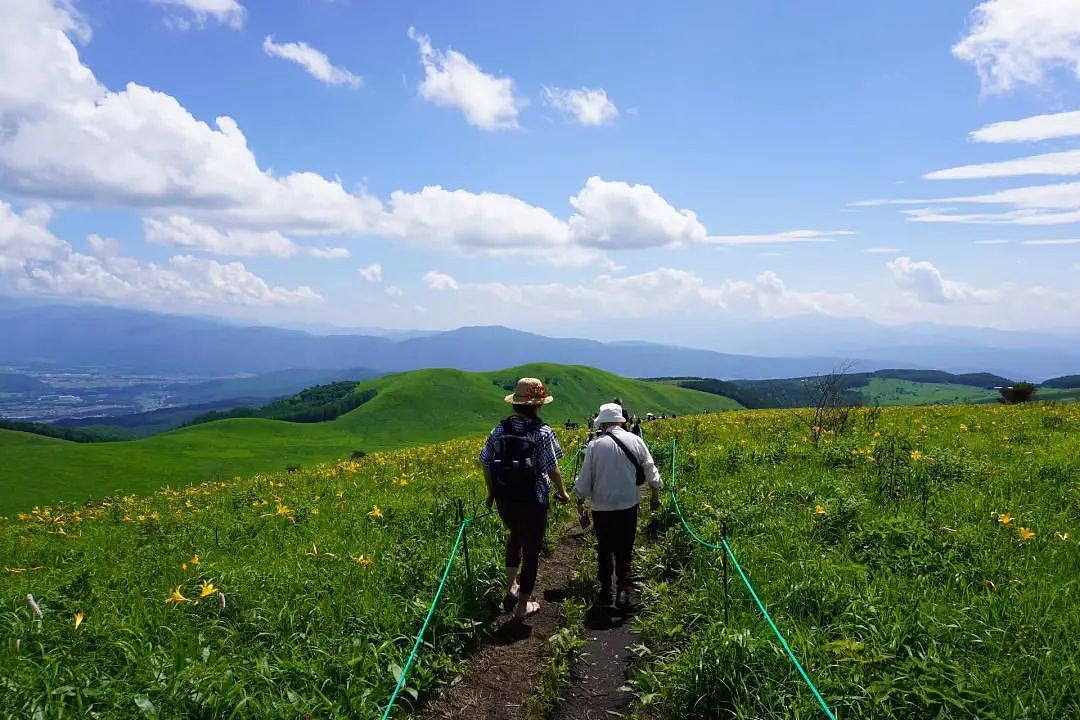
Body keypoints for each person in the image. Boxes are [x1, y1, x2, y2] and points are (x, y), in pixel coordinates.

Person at [480, 377, 571, 619]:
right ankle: (522, 606)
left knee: (515, 537)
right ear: (538, 405)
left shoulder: (500, 428)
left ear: (516, 403)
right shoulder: (543, 431)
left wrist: (491, 492)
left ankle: (510, 587)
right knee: (532, 549)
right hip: (534, 499)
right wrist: (562, 491)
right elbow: (552, 468)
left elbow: (485, 461)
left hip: (505, 499)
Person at [574, 403, 663, 611]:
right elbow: (650, 470)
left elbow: (586, 479)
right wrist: (655, 494)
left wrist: (579, 499)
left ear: (603, 423)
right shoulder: (636, 440)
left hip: (601, 507)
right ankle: (623, 590)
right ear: (621, 421)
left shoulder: (595, 446)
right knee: (625, 548)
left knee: (604, 548)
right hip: (628, 504)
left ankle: (605, 590)